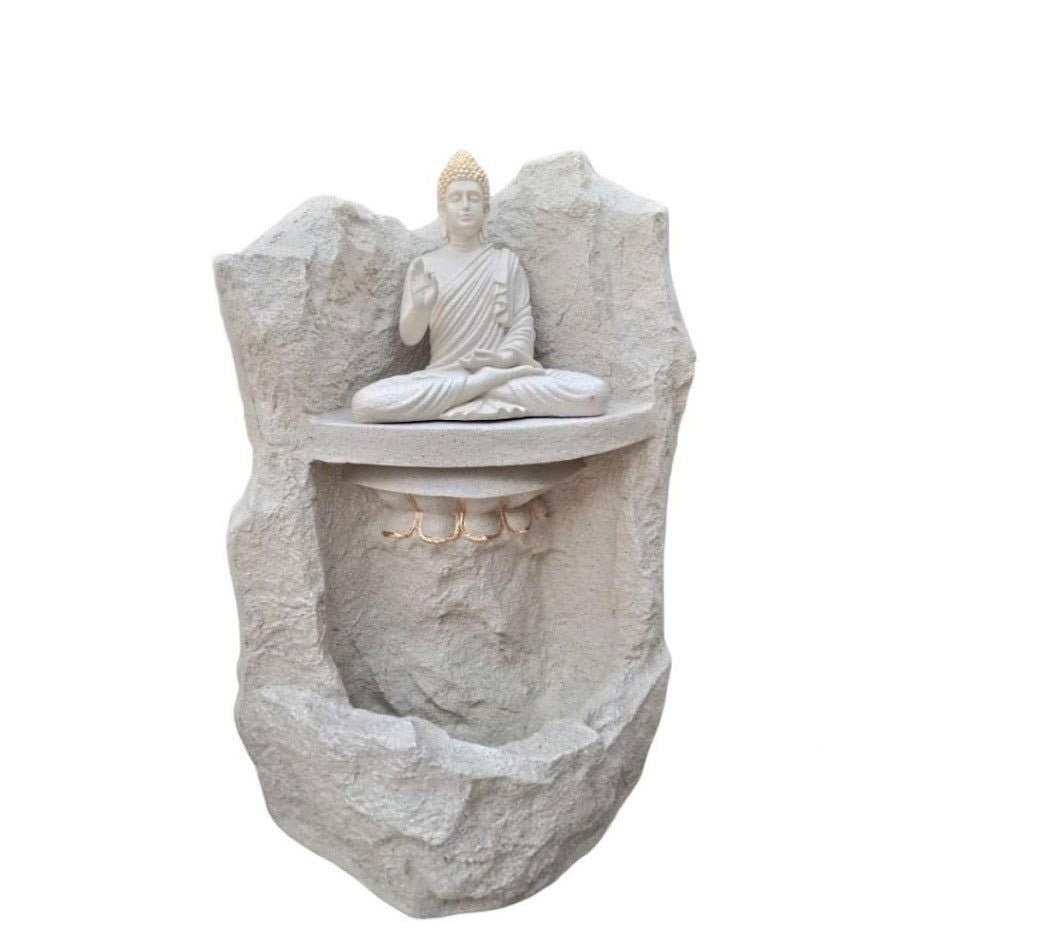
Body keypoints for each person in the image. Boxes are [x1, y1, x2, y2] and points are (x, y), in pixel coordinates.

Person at [350, 151, 609, 422]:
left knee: (594, 393)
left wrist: (501, 359)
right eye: (456, 198)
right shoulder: (424, 266)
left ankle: (478, 386)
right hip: (445, 377)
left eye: (473, 198)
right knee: (366, 403)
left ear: (486, 210)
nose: (465, 206)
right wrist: (421, 307)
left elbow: (522, 329)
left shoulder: (505, 262)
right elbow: (410, 337)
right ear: (442, 210)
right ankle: (479, 386)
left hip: (504, 375)